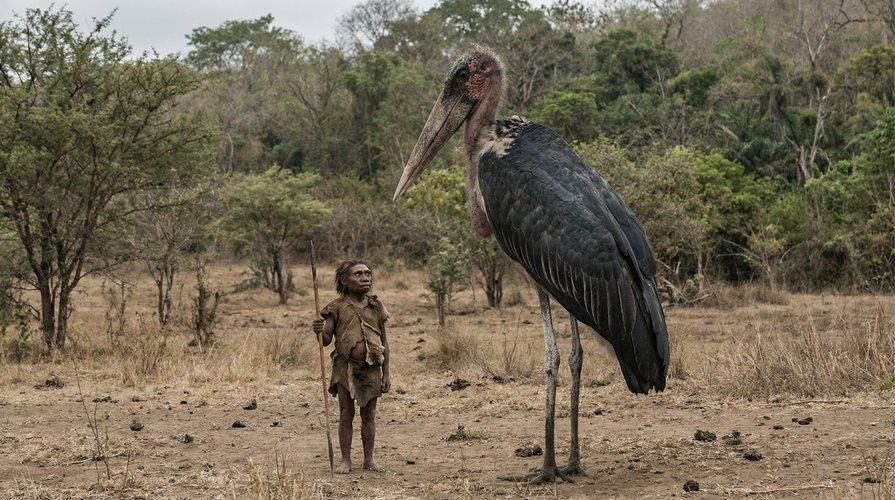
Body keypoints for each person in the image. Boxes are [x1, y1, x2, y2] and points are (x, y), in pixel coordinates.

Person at [313, 260, 390, 474]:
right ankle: (345, 460)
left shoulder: (376, 306)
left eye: (367, 273)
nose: (365, 277)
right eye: (358, 274)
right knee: (346, 413)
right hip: (344, 367)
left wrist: (386, 373)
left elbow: (385, 342)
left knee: (369, 414)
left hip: (372, 366)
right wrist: (319, 330)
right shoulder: (335, 307)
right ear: (345, 281)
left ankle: (369, 460)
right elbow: (326, 340)